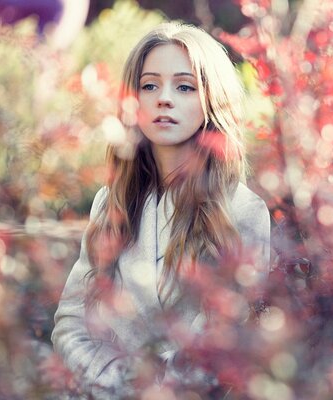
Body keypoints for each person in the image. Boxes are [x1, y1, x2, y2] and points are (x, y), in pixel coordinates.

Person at [51, 22, 271, 398]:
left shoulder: (242, 211)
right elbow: (70, 323)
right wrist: (115, 382)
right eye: (149, 85)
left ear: (210, 100)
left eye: (184, 87)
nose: (163, 98)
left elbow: (227, 342)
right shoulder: (112, 201)